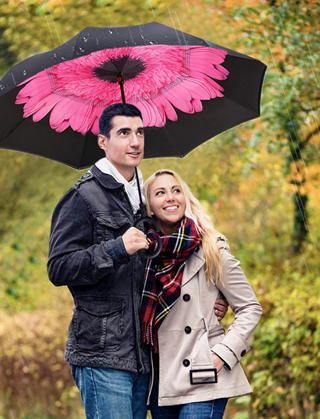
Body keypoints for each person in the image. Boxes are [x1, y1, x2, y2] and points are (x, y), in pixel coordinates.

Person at [47, 103, 228, 419]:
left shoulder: (145, 200)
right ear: (103, 141)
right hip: (102, 352)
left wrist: (207, 299)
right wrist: (117, 248)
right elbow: (59, 267)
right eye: (124, 133)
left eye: (140, 132)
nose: (135, 142)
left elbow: (167, 267)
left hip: (146, 356)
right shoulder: (83, 197)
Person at [141, 169, 262, 419]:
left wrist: (223, 354)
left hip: (203, 374)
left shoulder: (210, 249)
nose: (170, 197)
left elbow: (250, 307)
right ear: (149, 206)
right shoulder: (143, 256)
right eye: (160, 193)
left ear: (185, 198)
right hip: (161, 379)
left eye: (176, 190)